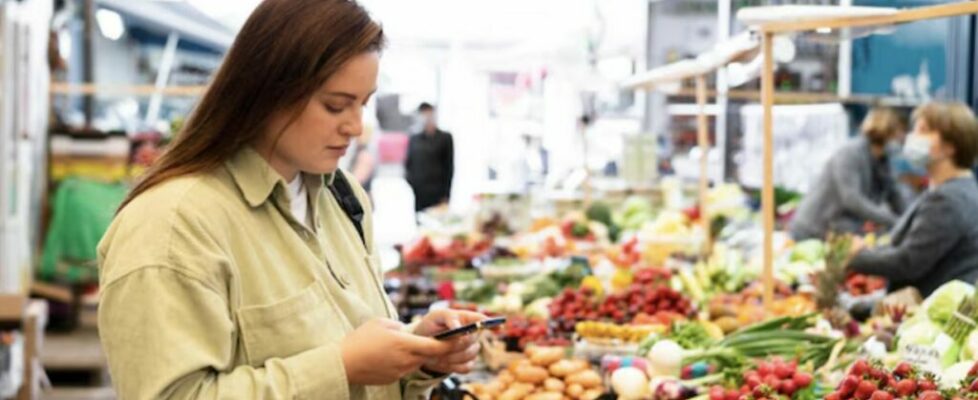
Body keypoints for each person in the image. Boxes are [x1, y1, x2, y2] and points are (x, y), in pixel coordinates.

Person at [97, 1, 484, 398]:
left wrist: (415, 352)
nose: (355, 127)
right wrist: (341, 366)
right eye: (336, 105)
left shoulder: (342, 196)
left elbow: (352, 348)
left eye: (362, 104)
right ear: (268, 91)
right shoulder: (171, 227)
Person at [848, 102, 978, 297]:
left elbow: (909, 262)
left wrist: (854, 257)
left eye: (924, 130)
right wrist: (870, 250)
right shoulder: (953, 188)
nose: (913, 137)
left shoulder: (948, 200)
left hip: (924, 308)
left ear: (950, 147)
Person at [789, 107, 907, 240]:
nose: (902, 139)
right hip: (813, 229)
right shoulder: (850, 153)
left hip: (838, 231)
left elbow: (894, 193)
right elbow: (852, 199)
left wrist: (907, 220)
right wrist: (892, 220)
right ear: (887, 132)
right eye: (899, 133)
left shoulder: (882, 161)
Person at [405, 103, 454, 212]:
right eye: (424, 114)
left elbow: (449, 167)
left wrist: (446, 195)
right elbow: (408, 164)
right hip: (420, 192)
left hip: (438, 192)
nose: (427, 117)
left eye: (429, 114)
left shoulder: (445, 138)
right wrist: (413, 184)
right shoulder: (415, 138)